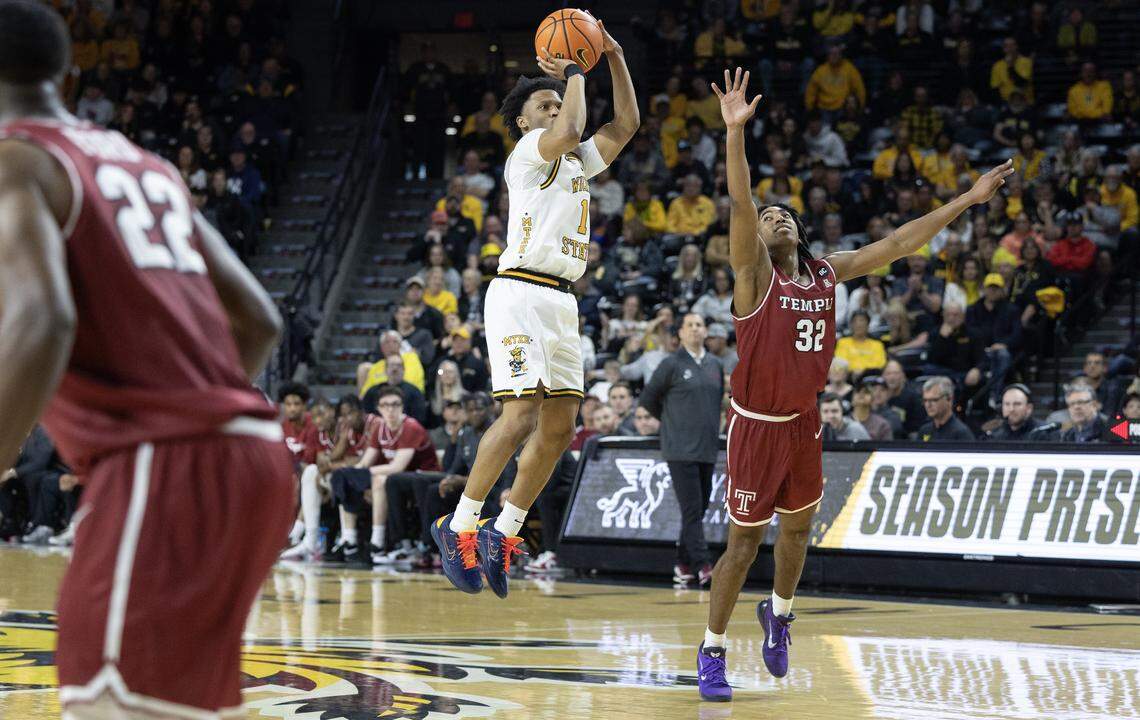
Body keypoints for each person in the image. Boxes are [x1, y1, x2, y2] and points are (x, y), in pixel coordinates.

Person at [0, 4, 294, 716]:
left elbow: (44, 318)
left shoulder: (15, 158)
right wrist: (197, 412)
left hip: (166, 467)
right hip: (252, 457)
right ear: (65, 72)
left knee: (112, 706)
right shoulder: (144, 162)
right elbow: (257, 319)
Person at [697, 68, 1010, 702]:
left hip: (806, 420)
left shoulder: (825, 273)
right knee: (741, 544)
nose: (778, 217)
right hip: (756, 424)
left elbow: (898, 242)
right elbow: (739, 202)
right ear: (755, 237)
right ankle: (711, 650)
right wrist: (735, 135)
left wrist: (968, 202)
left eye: (787, 214)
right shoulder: (753, 279)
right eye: (770, 215)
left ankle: (779, 616)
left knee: (795, 533)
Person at [432, 19, 640, 599]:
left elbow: (625, 126)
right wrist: (575, 70)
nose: (554, 110)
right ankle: (460, 523)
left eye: (556, 103)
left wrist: (614, 57)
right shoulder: (530, 151)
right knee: (520, 415)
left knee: (560, 428)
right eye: (543, 105)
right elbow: (574, 123)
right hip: (520, 291)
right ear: (525, 121)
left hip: (560, 301)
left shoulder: (573, 162)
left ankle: (505, 531)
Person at [639, 313, 724, 587]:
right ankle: (703, 565)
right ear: (681, 333)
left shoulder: (715, 365)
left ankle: (683, 562)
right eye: (691, 325)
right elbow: (648, 399)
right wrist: (672, 423)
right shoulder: (671, 364)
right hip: (679, 449)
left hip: (707, 447)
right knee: (691, 508)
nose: (696, 329)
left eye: (700, 325)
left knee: (699, 509)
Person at [329, 385, 441, 565]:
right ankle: (349, 539)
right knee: (344, 478)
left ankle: (378, 542)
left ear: (402, 406)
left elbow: (398, 466)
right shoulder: (380, 428)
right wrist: (351, 473)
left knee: (379, 479)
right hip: (398, 479)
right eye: (385, 405)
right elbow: (365, 461)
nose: (390, 409)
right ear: (379, 409)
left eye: (395, 405)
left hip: (424, 477)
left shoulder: (410, 426)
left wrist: (362, 473)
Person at [986, 384, 1054, 441]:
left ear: (1029, 408)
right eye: (1007, 404)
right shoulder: (994, 433)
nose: (1011, 409)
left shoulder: (1043, 432)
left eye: (1017, 404)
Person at [917, 377, 975, 441]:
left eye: (934, 400)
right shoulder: (924, 431)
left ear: (949, 399)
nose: (928, 405)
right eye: (925, 400)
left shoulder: (961, 433)